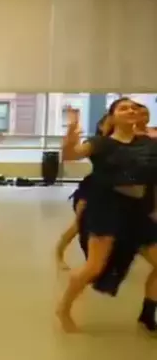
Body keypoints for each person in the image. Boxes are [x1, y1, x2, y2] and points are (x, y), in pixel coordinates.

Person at [58, 98, 157, 333]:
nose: (131, 110)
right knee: (93, 267)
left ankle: (147, 312)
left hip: (137, 211)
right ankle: (63, 309)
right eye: (123, 108)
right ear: (112, 117)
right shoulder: (101, 143)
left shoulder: (148, 143)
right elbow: (71, 154)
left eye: (134, 107)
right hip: (107, 209)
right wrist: (71, 135)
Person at [55, 115, 109, 270]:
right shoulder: (97, 143)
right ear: (101, 126)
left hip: (114, 191)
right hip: (92, 190)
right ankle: (59, 254)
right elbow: (71, 153)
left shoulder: (130, 143)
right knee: (79, 225)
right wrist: (71, 132)